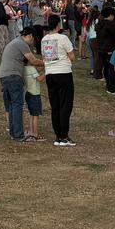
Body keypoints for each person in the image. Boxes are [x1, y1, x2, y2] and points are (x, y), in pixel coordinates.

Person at [0, 29, 44, 142]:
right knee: (17, 105)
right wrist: (47, 63)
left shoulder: (14, 42)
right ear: (29, 36)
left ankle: (14, 133)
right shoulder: (21, 43)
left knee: (12, 105)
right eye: (32, 40)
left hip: (4, 76)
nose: (32, 43)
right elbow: (33, 61)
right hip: (13, 76)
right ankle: (18, 135)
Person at [40, 14, 76, 146]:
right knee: (65, 104)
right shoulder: (63, 38)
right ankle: (64, 136)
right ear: (58, 25)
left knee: (55, 105)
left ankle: (58, 135)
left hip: (50, 74)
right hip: (63, 73)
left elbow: (44, 57)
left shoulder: (44, 40)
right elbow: (72, 56)